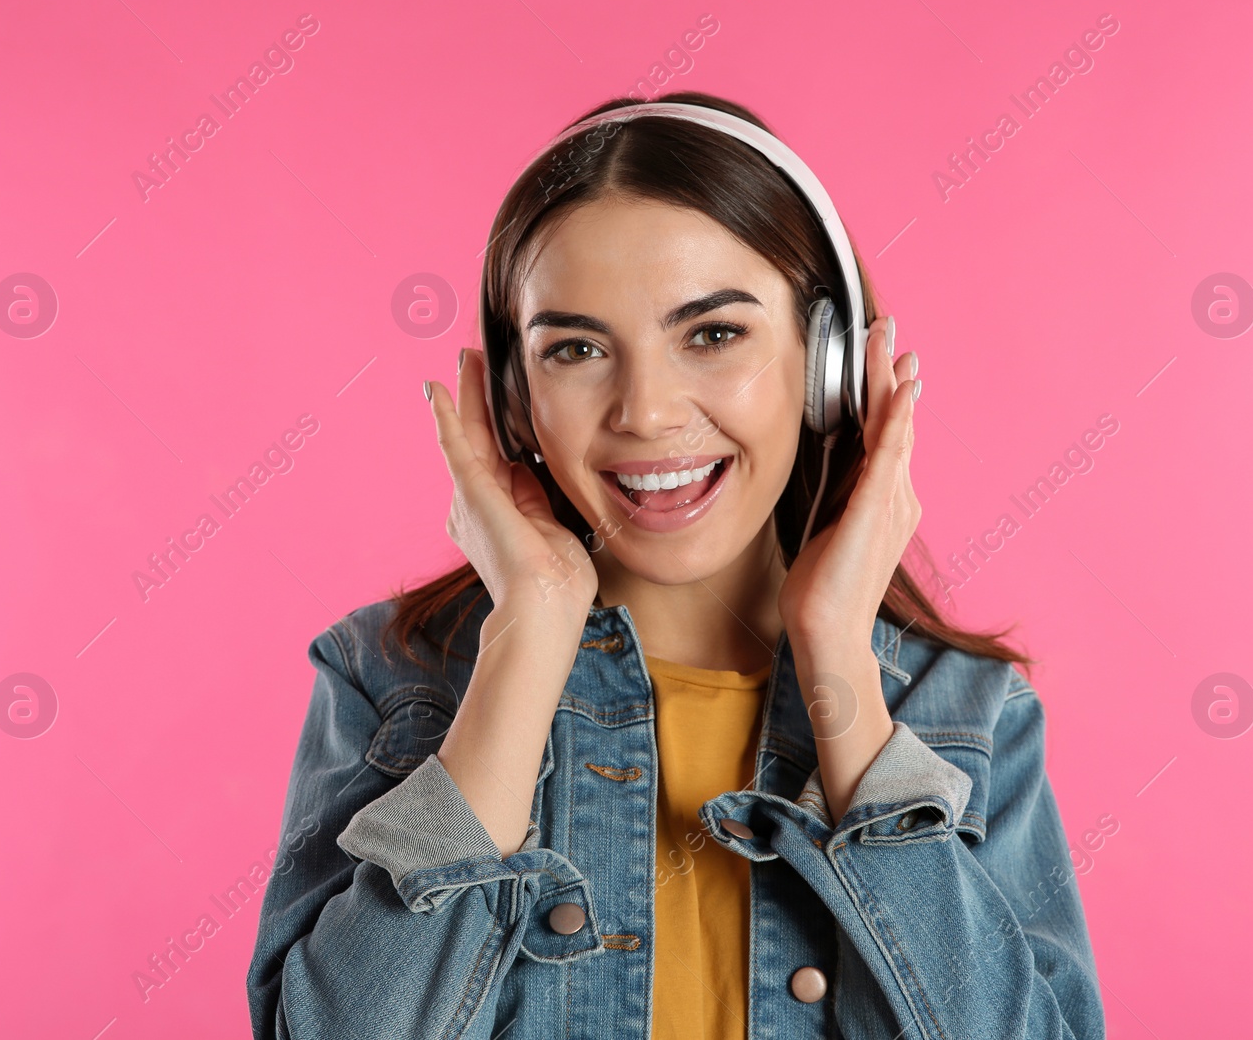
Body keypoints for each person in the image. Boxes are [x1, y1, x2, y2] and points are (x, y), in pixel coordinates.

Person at [247, 90, 1106, 1039]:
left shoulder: (968, 713)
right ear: (514, 399)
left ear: (825, 363)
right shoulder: (392, 678)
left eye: (713, 333)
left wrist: (840, 675)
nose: (646, 412)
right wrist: (528, 637)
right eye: (575, 349)